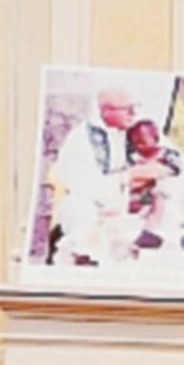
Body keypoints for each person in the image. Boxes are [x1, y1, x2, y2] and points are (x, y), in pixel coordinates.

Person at [52, 88, 174, 264]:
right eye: (127, 109)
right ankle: (81, 257)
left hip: (133, 209)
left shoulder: (139, 129)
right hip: (92, 209)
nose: (134, 113)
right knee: (81, 210)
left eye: (136, 106)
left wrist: (162, 170)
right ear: (105, 111)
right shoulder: (80, 140)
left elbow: (173, 160)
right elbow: (82, 186)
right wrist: (129, 177)